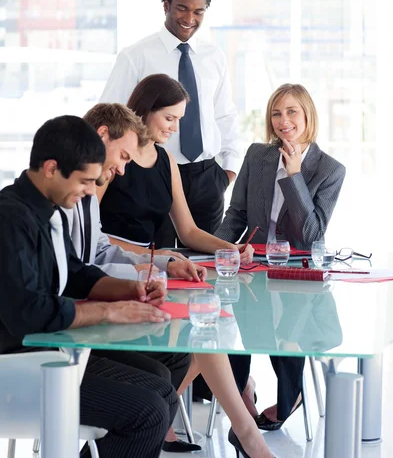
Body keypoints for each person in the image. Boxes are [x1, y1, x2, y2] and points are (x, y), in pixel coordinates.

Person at [98, 76, 277, 458]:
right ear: (145, 110)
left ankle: (186, 424)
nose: (175, 127)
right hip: (119, 270)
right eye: (170, 117)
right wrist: (158, 256)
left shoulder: (167, 162)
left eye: (180, 119)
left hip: (156, 267)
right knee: (203, 328)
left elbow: (191, 230)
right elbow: (92, 239)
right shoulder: (111, 163)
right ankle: (243, 435)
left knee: (208, 321)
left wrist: (232, 248)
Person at [0, 116, 176, 458]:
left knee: (163, 388)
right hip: (18, 365)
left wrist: (132, 291)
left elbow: (78, 273)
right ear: (51, 168)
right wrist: (109, 311)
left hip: (48, 352)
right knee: (149, 413)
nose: (88, 191)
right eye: (84, 181)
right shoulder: (10, 219)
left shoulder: (46, 211)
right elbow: (30, 314)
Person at [59, 102, 202, 453]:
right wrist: (115, 302)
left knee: (168, 373)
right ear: (102, 135)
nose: (123, 169)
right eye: (123, 156)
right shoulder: (54, 198)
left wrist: (159, 266)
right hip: (59, 341)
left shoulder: (87, 192)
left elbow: (98, 251)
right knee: (153, 399)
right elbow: (72, 274)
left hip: (76, 329)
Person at [215, 83, 346, 430]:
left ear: (307, 116)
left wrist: (294, 175)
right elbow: (237, 214)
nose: (283, 120)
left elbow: (311, 235)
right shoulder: (257, 156)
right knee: (231, 324)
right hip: (251, 265)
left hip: (297, 271)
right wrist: (217, 252)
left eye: (291, 112)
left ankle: (292, 394)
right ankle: (240, 390)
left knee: (288, 328)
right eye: (276, 113)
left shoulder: (330, 170)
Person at [99, 0, 242, 247]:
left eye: (199, 12)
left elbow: (225, 116)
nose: (190, 19)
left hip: (208, 178)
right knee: (160, 261)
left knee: (206, 264)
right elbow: (109, 115)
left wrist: (227, 173)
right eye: (182, 8)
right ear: (166, 5)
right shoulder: (136, 56)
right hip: (154, 176)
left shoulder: (214, 57)